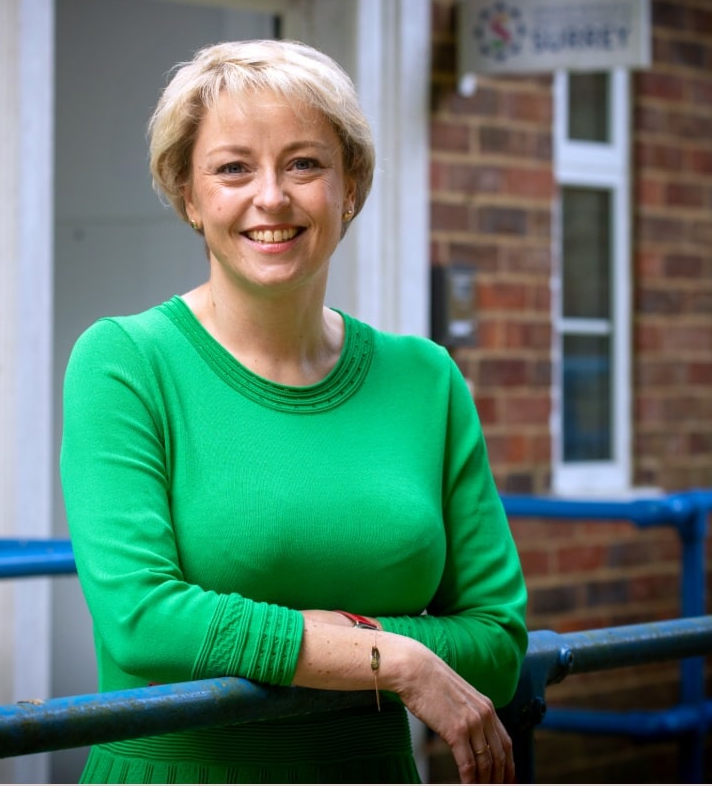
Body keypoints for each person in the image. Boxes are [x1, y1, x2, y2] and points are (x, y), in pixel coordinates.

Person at [59, 38, 527, 784]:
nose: (270, 196)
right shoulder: (124, 362)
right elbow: (141, 619)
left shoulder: (424, 378)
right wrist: (394, 658)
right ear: (189, 195)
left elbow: (498, 644)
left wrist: (335, 640)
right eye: (233, 167)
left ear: (349, 188)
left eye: (304, 163)